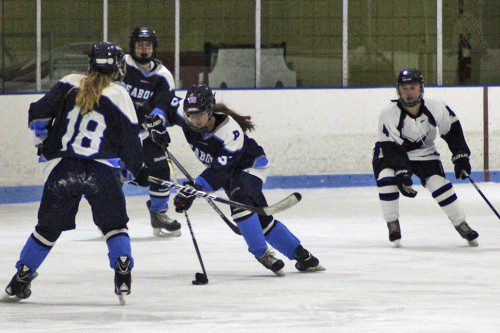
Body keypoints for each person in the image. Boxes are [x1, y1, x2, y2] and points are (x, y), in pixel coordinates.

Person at [2, 42, 148, 304]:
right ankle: (122, 269)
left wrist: (43, 144)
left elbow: (38, 114)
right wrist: (138, 170)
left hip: (64, 171)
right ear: (117, 67)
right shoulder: (119, 94)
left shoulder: (69, 82)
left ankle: (20, 279)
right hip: (102, 173)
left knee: (46, 230)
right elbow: (131, 142)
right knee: (114, 226)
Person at [145, 85, 325, 276]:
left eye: (200, 115)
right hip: (228, 172)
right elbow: (165, 101)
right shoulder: (186, 113)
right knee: (262, 222)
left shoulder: (229, 132)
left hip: (250, 166)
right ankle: (303, 257)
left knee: (240, 204)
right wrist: (157, 123)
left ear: (210, 110)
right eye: (191, 115)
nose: (194, 120)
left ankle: (261, 253)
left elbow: (220, 171)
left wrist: (194, 189)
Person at [372, 68, 479, 247]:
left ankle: (462, 224)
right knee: (387, 179)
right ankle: (392, 223)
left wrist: (461, 156)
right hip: (390, 154)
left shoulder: (437, 107)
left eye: (413, 87)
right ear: (398, 90)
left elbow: (453, 132)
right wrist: (402, 172)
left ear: (421, 88)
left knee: (439, 184)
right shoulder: (388, 113)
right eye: (404, 88)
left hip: (425, 153)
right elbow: (391, 148)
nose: (409, 92)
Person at [123, 27, 181, 237]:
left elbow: (164, 105)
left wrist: (156, 123)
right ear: (133, 46)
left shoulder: (163, 75)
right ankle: (109, 215)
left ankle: (159, 213)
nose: (144, 48)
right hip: (116, 133)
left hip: (144, 133)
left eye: (148, 44)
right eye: (140, 44)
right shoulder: (121, 65)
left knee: (161, 169)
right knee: (112, 172)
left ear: (154, 48)